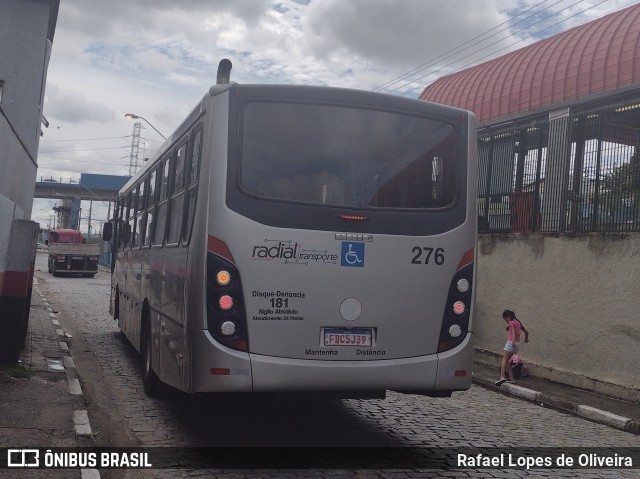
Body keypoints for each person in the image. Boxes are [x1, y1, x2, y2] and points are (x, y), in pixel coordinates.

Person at [495, 309, 529, 386]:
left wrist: (513, 340)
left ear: (509, 317)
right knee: (507, 361)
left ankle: (502, 377)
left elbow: (513, 331)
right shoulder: (518, 322)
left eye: (505, 319)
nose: (506, 321)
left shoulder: (511, 323)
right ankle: (512, 378)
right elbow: (526, 331)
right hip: (517, 344)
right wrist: (526, 338)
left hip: (511, 342)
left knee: (504, 359)